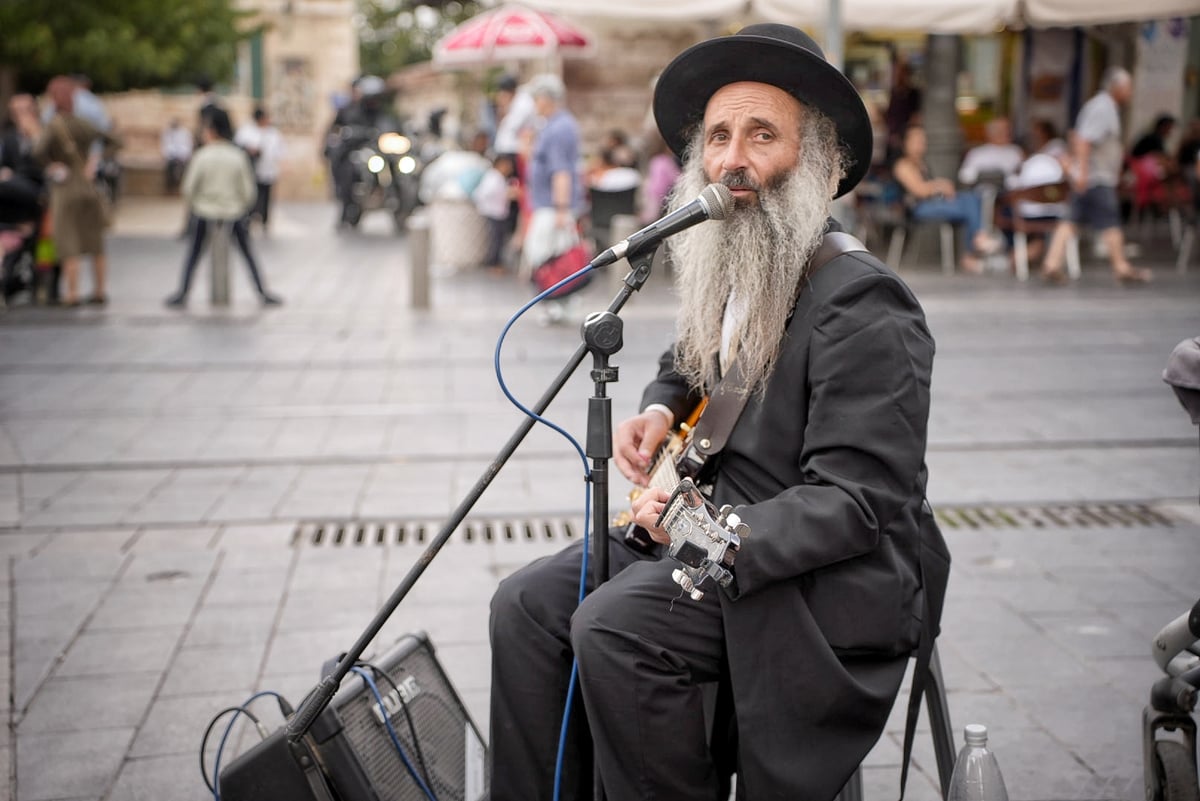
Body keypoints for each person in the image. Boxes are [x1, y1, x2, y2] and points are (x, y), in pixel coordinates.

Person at [489, 23, 941, 801]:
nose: (733, 158)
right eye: (720, 136)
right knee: (525, 605)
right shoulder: (744, 266)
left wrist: (698, 527)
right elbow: (694, 358)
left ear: (821, 163)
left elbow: (860, 501)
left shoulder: (865, 302)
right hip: (706, 538)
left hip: (807, 584)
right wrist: (661, 409)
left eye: (763, 134)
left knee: (615, 627)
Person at [1041, 67, 1151, 284]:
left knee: (1071, 220)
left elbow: (1079, 138)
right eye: (1128, 87)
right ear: (1117, 87)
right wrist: (1082, 172)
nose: (1130, 92)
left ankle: (1052, 263)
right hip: (1096, 177)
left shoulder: (1103, 106)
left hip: (1091, 175)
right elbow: (1083, 140)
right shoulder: (1102, 108)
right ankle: (1121, 267)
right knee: (1110, 220)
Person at [165, 108, 281, 308]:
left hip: (204, 211)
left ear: (211, 130)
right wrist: (238, 206)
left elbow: (188, 188)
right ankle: (262, 292)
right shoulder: (237, 156)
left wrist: (200, 204)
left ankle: (183, 293)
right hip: (233, 212)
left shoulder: (202, 156)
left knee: (194, 254)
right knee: (247, 253)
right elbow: (248, 191)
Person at [33, 76, 121, 307]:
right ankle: (99, 290)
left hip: (66, 187)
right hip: (88, 184)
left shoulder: (53, 124)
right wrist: (96, 159)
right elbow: (114, 140)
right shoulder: (84, 122)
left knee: (68, 240)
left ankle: (72, 293)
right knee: (95, 241)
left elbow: (38, 151)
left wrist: (53, 166)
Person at [521, 74, 584, 323]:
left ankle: (557, 304)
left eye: (536, 98)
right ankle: (558, 304)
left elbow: (561, 171)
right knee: (554, 254)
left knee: (549, 257)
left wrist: (561, 208)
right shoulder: (553, 125)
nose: (534, 103)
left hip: (552, 205)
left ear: (546, 99)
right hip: (549, 203)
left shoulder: (558, 128)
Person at [893, 123, 997, 272]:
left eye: (923, 141)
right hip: (916, 208)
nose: (921, 145)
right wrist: (940, 185)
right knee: (968, 206)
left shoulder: (921, 164)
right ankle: (975, 245)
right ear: (905, 143)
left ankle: (977, 241)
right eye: (917, 141)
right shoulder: (902, 165)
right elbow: (919, 191)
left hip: (933, 202)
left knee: (971, 198)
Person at [234, 107, 285, 233]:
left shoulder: (273, 133)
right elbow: (238, 146)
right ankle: (250, 218)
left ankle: (264, 220)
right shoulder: (246, 131)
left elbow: (280, 151)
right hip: (251, 171)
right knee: (252, 195)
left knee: (266, 196)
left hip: (268, 170)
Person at [472, 153, 518, 272]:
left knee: (499, 239)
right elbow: (485, 194)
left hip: (498, 213)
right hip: (493, 214)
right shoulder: (493, 177)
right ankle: (493, 264)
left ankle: (496, 262)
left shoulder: (499, 178)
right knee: (495, 240)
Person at [958, 117, 1024, 186]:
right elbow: (965, 176)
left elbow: (1024, 172)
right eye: (1003, 130)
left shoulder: (1016, 151)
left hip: (1013, 192)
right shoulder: (977, 153)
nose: (1008, 133)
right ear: (991, 132)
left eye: (1009, 129)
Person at [160, 118, 193, 194]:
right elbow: (165, 147)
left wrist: (181, 156)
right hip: (171, 157)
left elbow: (187, 146)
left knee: (184, 169)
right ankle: (170, 188)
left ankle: (182, 187)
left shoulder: (185, 133)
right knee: (169, 167)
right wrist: (172, 155)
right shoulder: (167, 132)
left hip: (182, 156)